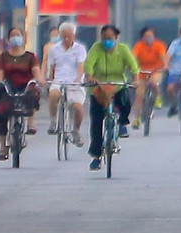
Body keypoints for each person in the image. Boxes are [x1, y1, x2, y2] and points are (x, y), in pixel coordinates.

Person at [83, 24, 138, 171]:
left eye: (110, 38)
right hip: (99, 86)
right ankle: (96, 156)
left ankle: (122, 123)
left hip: (117, 84)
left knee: (125, 101)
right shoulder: (96, 48)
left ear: (116, 38)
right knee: (96, 122)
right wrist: (90, 76)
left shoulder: (123, 50)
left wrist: (135, 79)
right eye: (104, 38)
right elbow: (88, 64)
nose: (107, 41)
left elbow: (133, 66)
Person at [0, 26, 45, 161]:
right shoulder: (4, 57)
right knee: (1, 111)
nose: (15, 38)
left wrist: (39, 80)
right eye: (13, 35)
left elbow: (36, 72)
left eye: (18, 35)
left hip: (25, 86)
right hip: (9, 86)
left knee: (32, 92)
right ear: (8, 40)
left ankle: (31, 122)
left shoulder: (30, 57)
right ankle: (3, 147)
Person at [43, 21, 86, 145]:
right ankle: (53, 121)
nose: (66, 39)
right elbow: (52, 67)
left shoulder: (80, 49)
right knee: (53, 95)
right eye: (63, 37)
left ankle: (76, 131)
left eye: (69, 36)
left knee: (78, 108)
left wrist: (78, 78)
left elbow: (80, 66)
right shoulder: (54, 49)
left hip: (74, 83)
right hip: (58, 81)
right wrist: (49, 81)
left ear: (74, 36)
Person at [131, 26, 169, 121]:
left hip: (156, 70)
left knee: (154, 82)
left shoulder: (159, 45)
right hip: (141, 72)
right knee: (139, 95)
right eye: (146, 36)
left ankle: (158, 98)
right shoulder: (138, 46)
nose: (149, 38)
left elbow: (162, 57)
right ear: (142, 37)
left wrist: (165, 65)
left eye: (151, 36)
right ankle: (136, 119)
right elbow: (133, 58)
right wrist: (132, 67)